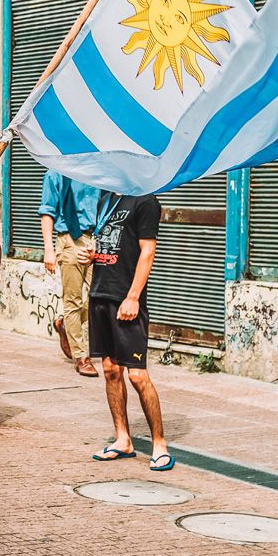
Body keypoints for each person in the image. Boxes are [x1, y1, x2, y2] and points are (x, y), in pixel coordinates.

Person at [75, 191, 173, 472]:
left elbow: (147, 251)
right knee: (110, 370)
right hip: (100, 294)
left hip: (126, 299)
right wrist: (91, 255)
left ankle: (160, 445)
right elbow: (111, 245)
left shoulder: (145, 201)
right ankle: (123, 439)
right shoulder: (106, 199)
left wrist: (133, 297)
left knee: (138, 375)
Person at [39, 171, 100, 377]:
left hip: (98, 241)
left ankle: (66, 323)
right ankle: (81, 357)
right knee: (72, 300)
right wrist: (49, 249)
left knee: (100, 298)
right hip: (70, 240)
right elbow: (47, 211)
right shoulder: (56, 173)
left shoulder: (98, 170)